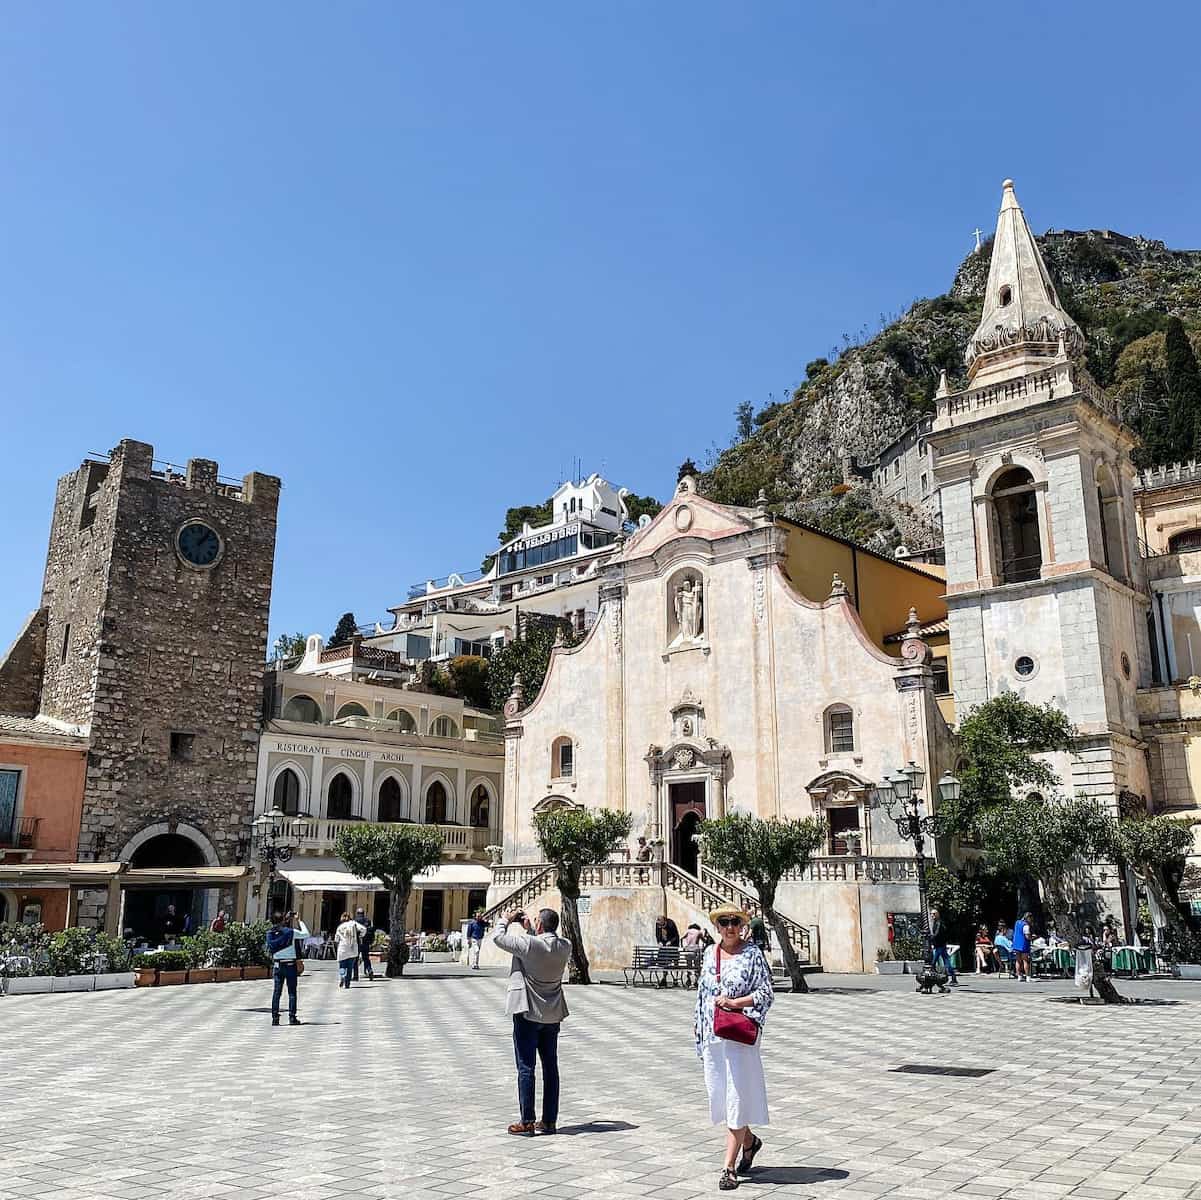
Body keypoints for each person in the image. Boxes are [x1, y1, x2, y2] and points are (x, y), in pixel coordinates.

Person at [695, 905, 774, 1191]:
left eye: (735, 922)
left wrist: (735, 1003)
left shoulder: (753, 955)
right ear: (717, 926)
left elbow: (766, 993)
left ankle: (728, 1167)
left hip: (739, 1036)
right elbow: (702, 995)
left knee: (737, 1097)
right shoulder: (708, 954)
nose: (730, 927)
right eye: (724, 922)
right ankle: (749, 1142)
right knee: (721, 1096)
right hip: (713, 1035)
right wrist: (699, 1033)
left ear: (742, 925)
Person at [494, 908, 572, 1136]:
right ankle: (549, 1120)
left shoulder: (529, 944)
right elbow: (541, 947)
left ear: (540, 926)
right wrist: (530, 929)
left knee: (526, 1066)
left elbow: (499, 938)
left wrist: (505, 920)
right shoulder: (565, 945)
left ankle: (527, 1120)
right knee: (551, 1067)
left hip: (528, 1011)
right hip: (552, 1013)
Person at [266, 909, 309, 1026]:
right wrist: (299, 921)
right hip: (290, 965)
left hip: (277, 965)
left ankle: (275, 1018)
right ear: (282, 920)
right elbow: (306, 934)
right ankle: (292, 1017)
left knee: (276, 992)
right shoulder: (290, 932)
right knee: (292, 992)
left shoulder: (269, 933)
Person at [929, 908, 959, 985]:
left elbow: (937, 933)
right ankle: (953, 977)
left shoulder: (939, 922)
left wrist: (931, 937)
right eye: (931, 914)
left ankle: (933, 977)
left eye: (934, 914)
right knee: (946, 961)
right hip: (940, 944)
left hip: (940, 945)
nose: (932, 915)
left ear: (937, 914)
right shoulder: (937, 922)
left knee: (934, 961)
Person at [335, 911, 362, 989]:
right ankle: (347, 984)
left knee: (342, 966)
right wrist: (359, 935)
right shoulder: (353, 924)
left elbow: (336, 939)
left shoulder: (339, 927)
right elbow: (363, 929)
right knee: (350, 967)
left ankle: (342, 976)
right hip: (352, 948)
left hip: (342, 948)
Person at [655, 914, 682, 988]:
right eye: (657, 922)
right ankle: (664, 978)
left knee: (675, 961)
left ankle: (675, 979)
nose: (658, 924)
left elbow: (676, 936)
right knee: (664, 961)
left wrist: (670, 942)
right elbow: (657, 935)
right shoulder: (658, 924)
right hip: (664, 945)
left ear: (664, 920)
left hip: (673, 945)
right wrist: (659, 942)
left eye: (659, 922)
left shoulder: (671, 924)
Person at [354, 908, 376, 982]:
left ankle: (355, 976)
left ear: (357, 913)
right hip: (366, 942)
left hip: (357, 942)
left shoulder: (355, 921)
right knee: (366, 958)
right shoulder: (368, 921)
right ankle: (370, 971)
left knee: (355, 959)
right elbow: (372, 931)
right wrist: (371, 941)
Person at [1012, 911, 1033, 982]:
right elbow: (1027, 936)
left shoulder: (1017, 922)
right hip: (1023, 944)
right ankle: (1028, 977)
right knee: (1025, 961)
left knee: (1018, 961)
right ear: (1028, 918)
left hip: (1016, 944)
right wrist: (1033, 938)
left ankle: (1019, 976)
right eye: (1030, 918)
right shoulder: (1026, 925)